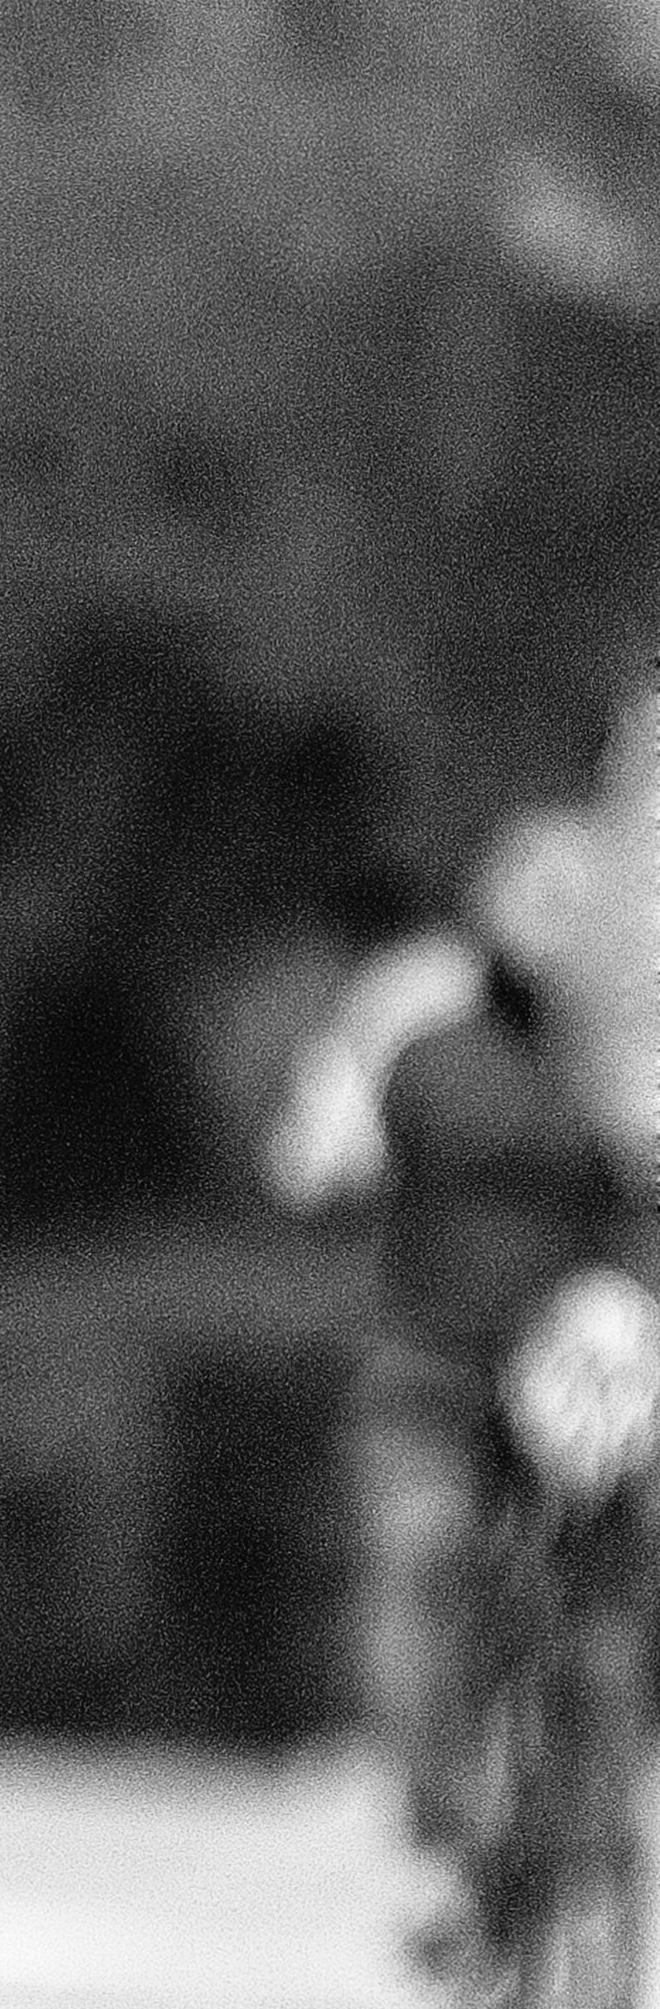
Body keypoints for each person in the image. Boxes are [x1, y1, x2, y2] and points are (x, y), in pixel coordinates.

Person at [325, 805, 660, 1911]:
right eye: (539, 900)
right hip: (438, 1371)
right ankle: (445, 1804)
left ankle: (598, 1818)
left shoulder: (626, 1076)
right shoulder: (421, 1047)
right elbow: (329, 1152)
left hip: (591, 1391)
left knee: (609, 1615)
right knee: (424, 1559)